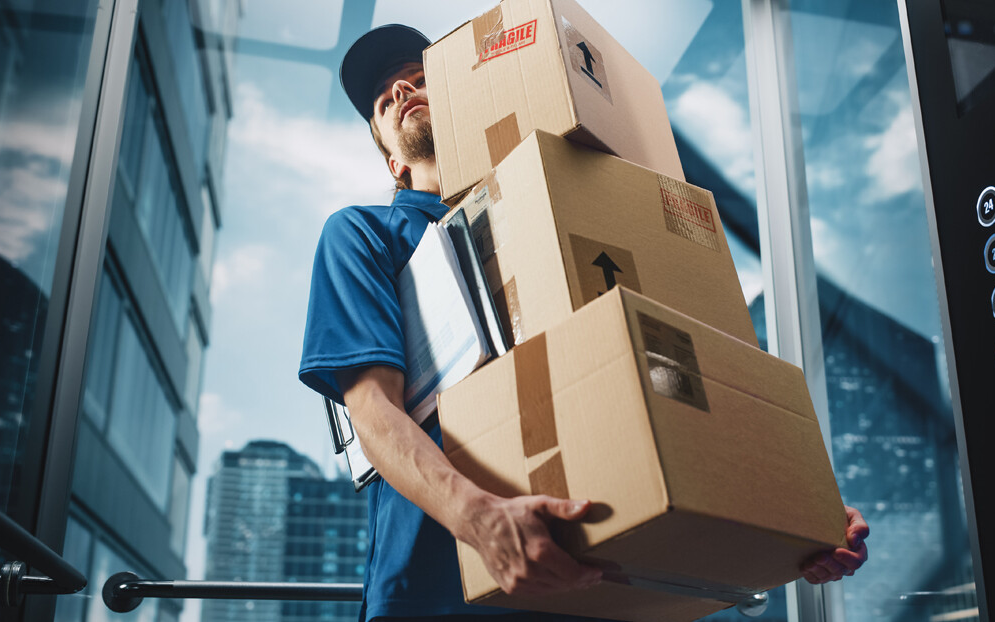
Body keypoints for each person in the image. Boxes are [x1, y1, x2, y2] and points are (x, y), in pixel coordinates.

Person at [299, 24, 870, 622]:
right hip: (439, 592)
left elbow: (676, 370)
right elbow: (374, 415)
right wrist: (481, 519)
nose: (401, 90)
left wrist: (800, 514)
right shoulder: (362, 236)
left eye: (419, 79)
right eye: (385, 99)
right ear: (392, 160)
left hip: (600, 583)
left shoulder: (553, 208)